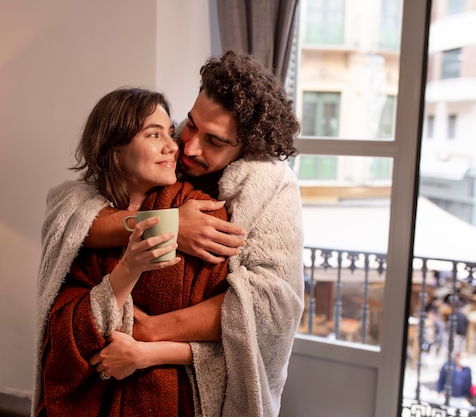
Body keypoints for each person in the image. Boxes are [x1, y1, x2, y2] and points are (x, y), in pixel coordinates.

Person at [67, 51, 305, 416]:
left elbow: (271, 309)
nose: (189, 148)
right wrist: (170, 224)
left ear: (248, 147)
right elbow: (73, 223)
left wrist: (151, 334)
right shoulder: (160, 157)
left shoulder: (269, 189)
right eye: (191, 124)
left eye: (215, 141)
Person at [33, 88, 231, 416]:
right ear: (114, 149)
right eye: (154, 135)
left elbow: (234, 340)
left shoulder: (203, 216)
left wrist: (147, 351)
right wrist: (129, 268)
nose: (173, 146)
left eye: (170, 132)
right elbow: (61, 342)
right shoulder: (81, 227)